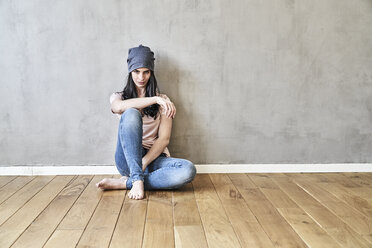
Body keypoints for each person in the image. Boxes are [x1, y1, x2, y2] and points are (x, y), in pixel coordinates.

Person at [96, 45, 196, 200]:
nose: (141, 77)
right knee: (131, 113)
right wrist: (155, 99)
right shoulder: (119, 97)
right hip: (127, 159)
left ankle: (127, 183)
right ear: (130, 71)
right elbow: (118, 107)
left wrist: (143, 163)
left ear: (151, 73)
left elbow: (164, 139)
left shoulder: (164, 102)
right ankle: (136, 178)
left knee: (188, 170)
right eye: (136, 71)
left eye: (146, 72)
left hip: (154, 157)